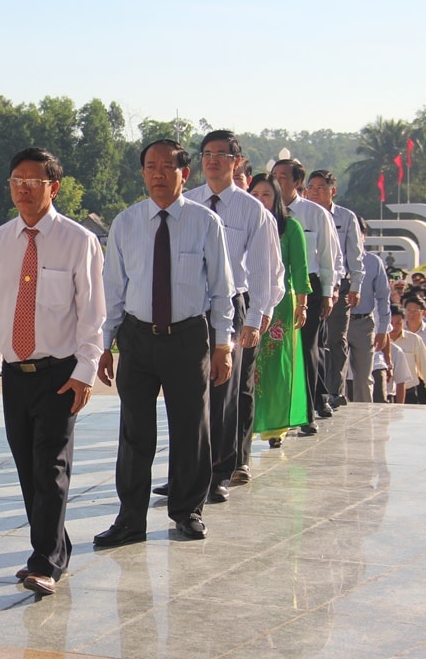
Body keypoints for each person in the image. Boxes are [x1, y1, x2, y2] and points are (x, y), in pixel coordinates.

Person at [0, 147, 105, 596]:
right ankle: (53, 547)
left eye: (33, 180)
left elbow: (92, 313)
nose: (23, 188)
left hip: (60, 372)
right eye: (16, 179)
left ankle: (44, 561)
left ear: (54, 187)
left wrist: (85, 369)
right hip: (15, 374)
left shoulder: (78, 241)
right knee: (28, 467)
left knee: (50, 467)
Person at [94, 139, 234, 543]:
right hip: (137, 338)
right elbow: (114, 289)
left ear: (183, 173)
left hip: (187, 338)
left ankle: (187, 510)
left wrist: (223, 345)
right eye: (150, 167)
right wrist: (106, 345)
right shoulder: (126, 223)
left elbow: (223, 290)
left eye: (166, 167)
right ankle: (130, 519)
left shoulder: (205, 222)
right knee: (135, 432)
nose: (157, 174)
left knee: (191, 429)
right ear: (142, 173)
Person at [162, 131, 282, 497]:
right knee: (186, 394)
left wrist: (255, 319)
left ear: (237, 162)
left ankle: (218, 474)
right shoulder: (188, 202)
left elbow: (262, 270)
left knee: (224, 392)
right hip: (191, 308)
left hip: (232, 305)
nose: (212, 160)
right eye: (207, 153)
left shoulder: (252, 211)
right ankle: (184, 474)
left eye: (222, 154)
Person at [271, 159, 339, 435]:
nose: (277, 182)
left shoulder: (314, 214)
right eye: (274, 176)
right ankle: (275, 413)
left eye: (283, 177)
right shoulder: (263, 211)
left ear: (298, 182)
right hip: (272, 287)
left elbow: (328, 257)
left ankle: (307, 411)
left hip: (305, 288)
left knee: (307, 350)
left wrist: (327, 294)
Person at [247, 173, 310, 449]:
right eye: (255, 194)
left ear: (277, 199)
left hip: (280, 305)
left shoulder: (291, 228)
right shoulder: (243, 225)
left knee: (277, 365)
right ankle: (247, 423)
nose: (260, 200)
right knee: (250, 367)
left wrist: (304, 304)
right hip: (247, 303)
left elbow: (300, 269)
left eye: (266, 195)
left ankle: (276, 426)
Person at [305, 170, 364, 410]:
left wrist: (356, 286)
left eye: (321, 187)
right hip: (309, 283)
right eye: (312, 187)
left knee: (336, 338)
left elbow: (355, 254)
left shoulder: (346, 217)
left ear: (333, 191)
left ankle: (334, 390)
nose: (316, 192)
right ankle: (313, 390)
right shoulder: (302, 213)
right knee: (313, 340)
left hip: (339, 283)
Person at [348, 247, 391, 402]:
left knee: (364, 378)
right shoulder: (335, 256)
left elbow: (383, 297)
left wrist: (383, 329)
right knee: (333, 376)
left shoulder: (373, 262)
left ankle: (363, 416)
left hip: (364, 323)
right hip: (338, 321)